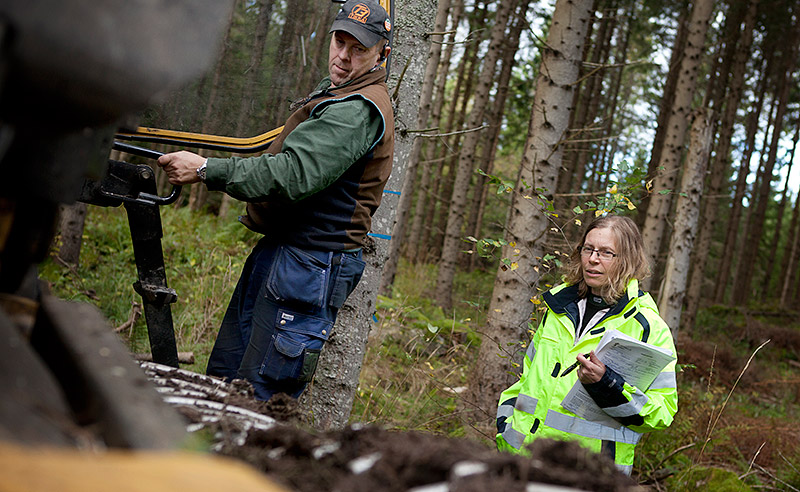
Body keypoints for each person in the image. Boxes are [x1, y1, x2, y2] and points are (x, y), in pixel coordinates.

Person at [156, 0, 394, 401]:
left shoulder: (358, 109)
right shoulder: (338, 92)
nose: (343, 56)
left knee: (261, 397)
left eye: (359, 49)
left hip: (311, 265)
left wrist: (206, 169)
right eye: (340, 42)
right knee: (227, 381)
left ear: (381, 54)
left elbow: (292, 174)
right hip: (289, 254)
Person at [495, 215, 678, 475]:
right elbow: (527, 379)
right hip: (523, 460)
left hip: (590, 473)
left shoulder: (647, 327)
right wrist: (505, 425)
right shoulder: (558, 308)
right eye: (588, 249)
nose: (593, 259)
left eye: (606, 253)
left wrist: (607, 385)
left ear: (627, 260)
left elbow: (662, 413)